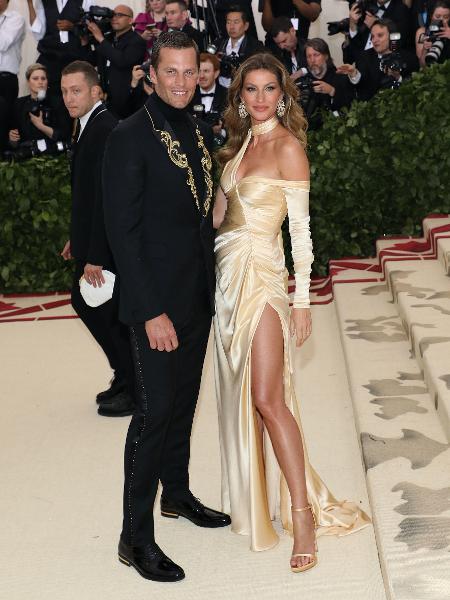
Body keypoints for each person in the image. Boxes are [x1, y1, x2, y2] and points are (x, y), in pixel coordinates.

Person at [212, 52, 370, 572]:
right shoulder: (237, 149)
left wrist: (302, 301)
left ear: (284, 95)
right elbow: (219, 220)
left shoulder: (288, 149)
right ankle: (263, 502)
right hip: (227, 285)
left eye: (269, 89)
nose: (260, 98)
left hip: (262, 280)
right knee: (246, 399)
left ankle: (302, 515)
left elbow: (300, 234)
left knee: (267, 398)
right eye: (251, 90)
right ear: (239, 95)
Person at [102, 31, 231, 583]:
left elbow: (202, 211)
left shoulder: (199, 130)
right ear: (151, 74)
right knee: (153, 415)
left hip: (196, 294)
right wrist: (151, 310)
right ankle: (135, 535)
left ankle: (175, 494)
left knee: (183, 405)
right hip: (156, 304)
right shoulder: (129, 136)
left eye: (189, 72)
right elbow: (123, 233)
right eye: (170, 72)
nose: (181, 82)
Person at [60, 60, 135, 417]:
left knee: (102, 309)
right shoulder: (87, 125)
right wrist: (78, 238)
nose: (69, 98)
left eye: (76, 91)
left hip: (108, 245)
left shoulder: (105, 127)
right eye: (64, 92)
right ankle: (124, 376)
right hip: (94, 239)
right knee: (97, 307)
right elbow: (87, 193)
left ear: (95, 91)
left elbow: (110, 197)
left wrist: (97, 254)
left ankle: (134, 386)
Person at [85, 5, 147, 119]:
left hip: (127, 100)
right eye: (113, 15)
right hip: (105, 99)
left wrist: (100, 38)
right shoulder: (108, 39)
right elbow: (92, 60)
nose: (114, 18)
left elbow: (121, 60)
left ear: (130, 20)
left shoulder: (137, 41)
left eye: (120, 15)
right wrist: (85, 42)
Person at [338, 19, 419, 101]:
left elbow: (414, 90)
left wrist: (398, 78)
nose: (374, 40)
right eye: (372, 36)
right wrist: (354, 74)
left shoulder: (409, 58)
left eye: (380, 35)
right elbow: (363, 89)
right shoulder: (364, 57)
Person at [25, 0, 93, 97]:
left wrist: (73, 27)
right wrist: (30, 4)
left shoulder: (85, 1)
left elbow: (91, 29)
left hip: (74, 59)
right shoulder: (43, 2)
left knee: (72, 98)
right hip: (49, 58)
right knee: (43, 97)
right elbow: (38, 34)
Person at [8, 63, 71, 152]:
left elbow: (64, 135)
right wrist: (12, 139)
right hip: (25, 155)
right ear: (28, 82)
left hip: (52, 155)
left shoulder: (58, 103)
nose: (40, 82)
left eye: (43, 78)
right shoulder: (19, 104)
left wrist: (41, 126)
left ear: (47, 82)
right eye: (35, 78)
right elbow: (14, 144)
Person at [300, 38, 355, 128]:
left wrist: (332, 91)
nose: (312, 60)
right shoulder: (304, 83)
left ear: (326, 56)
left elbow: (349, 109)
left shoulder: (341, 78)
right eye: (309, 56)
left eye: (316, 55)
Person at [343, 0, 412, 64]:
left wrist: (375, 25)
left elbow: (398, 41)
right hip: (362, 64)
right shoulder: (365, 6)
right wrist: (352, 26)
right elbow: (350, 57)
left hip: (386, 63)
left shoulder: (401, 9)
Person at [214, 5, 264, 88]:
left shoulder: (256, 47)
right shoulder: (218, 44)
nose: (231, 27)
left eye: (236, 22)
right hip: (219, 92)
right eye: (228, 22)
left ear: (246, 26)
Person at [0, 0, 25, 142]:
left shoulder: (16, 19)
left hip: (5, 79)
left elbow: (3, 43)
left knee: (5, 120)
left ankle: (4, 158)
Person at [190, 52, 227, 138]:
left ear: (216, 73)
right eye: (199, 71)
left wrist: (221, 132)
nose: (202, 76)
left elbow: (235, 128)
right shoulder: (188, 94)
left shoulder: (228, 95)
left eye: (206, 71)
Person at [270, 16, 307, 80]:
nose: (282, 47)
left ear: (293, 31)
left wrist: (303, 71)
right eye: (278, 44)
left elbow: (321, 66)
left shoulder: (310, 47)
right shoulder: (276, 54)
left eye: (284, 41)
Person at [415, 0, 450, 66]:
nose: (441, 20)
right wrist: (425, 50)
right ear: (431, 15)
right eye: (437, 16)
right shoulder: (422, 32)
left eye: (446, 17)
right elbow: (422, 66)